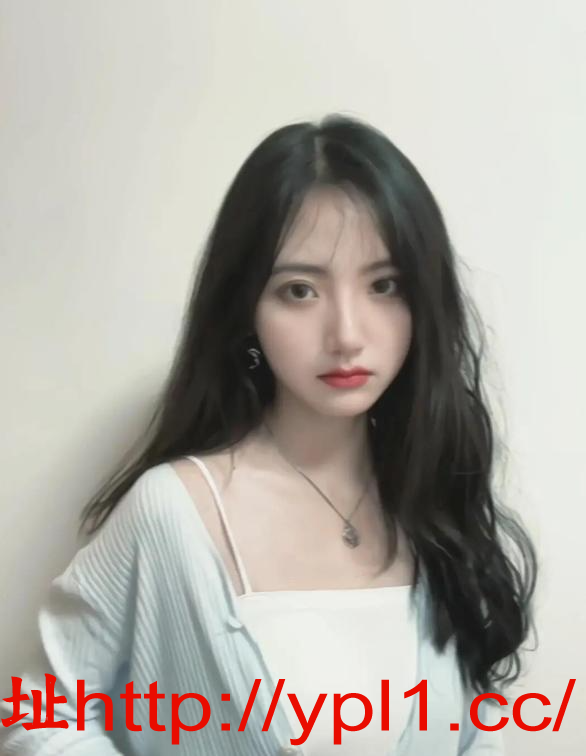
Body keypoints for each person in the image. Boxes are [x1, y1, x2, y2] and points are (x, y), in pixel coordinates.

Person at [0, 113, 537, 755]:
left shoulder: (433, 506)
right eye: (300, 290)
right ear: (247, 310)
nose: (347, 334)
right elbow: (40, 713)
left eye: (384, 285)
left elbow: (477, 728)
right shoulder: (175, 512)